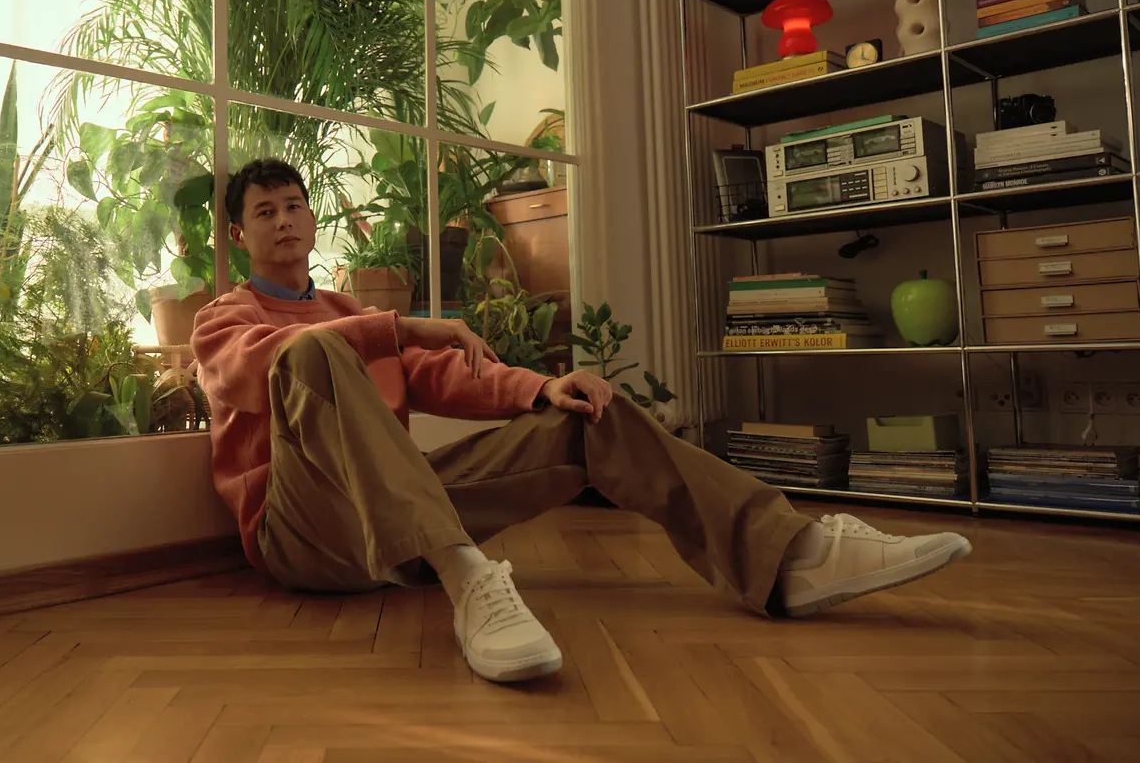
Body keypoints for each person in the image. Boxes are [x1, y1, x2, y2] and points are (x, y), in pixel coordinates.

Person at [193, 158, 972, 684]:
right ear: (238, 236)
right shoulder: (224, 320)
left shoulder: (344, 308)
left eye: (293, 205)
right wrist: (396, 326)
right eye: (264, 212)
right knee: (314, 353)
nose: (284, 220)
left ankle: (786, 555)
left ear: (312, 217)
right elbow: (264, 368)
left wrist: (544, 387)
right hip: (307, 537)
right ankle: (470, 581)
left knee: (583, 414)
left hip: (397, 529)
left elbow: (443, 375)